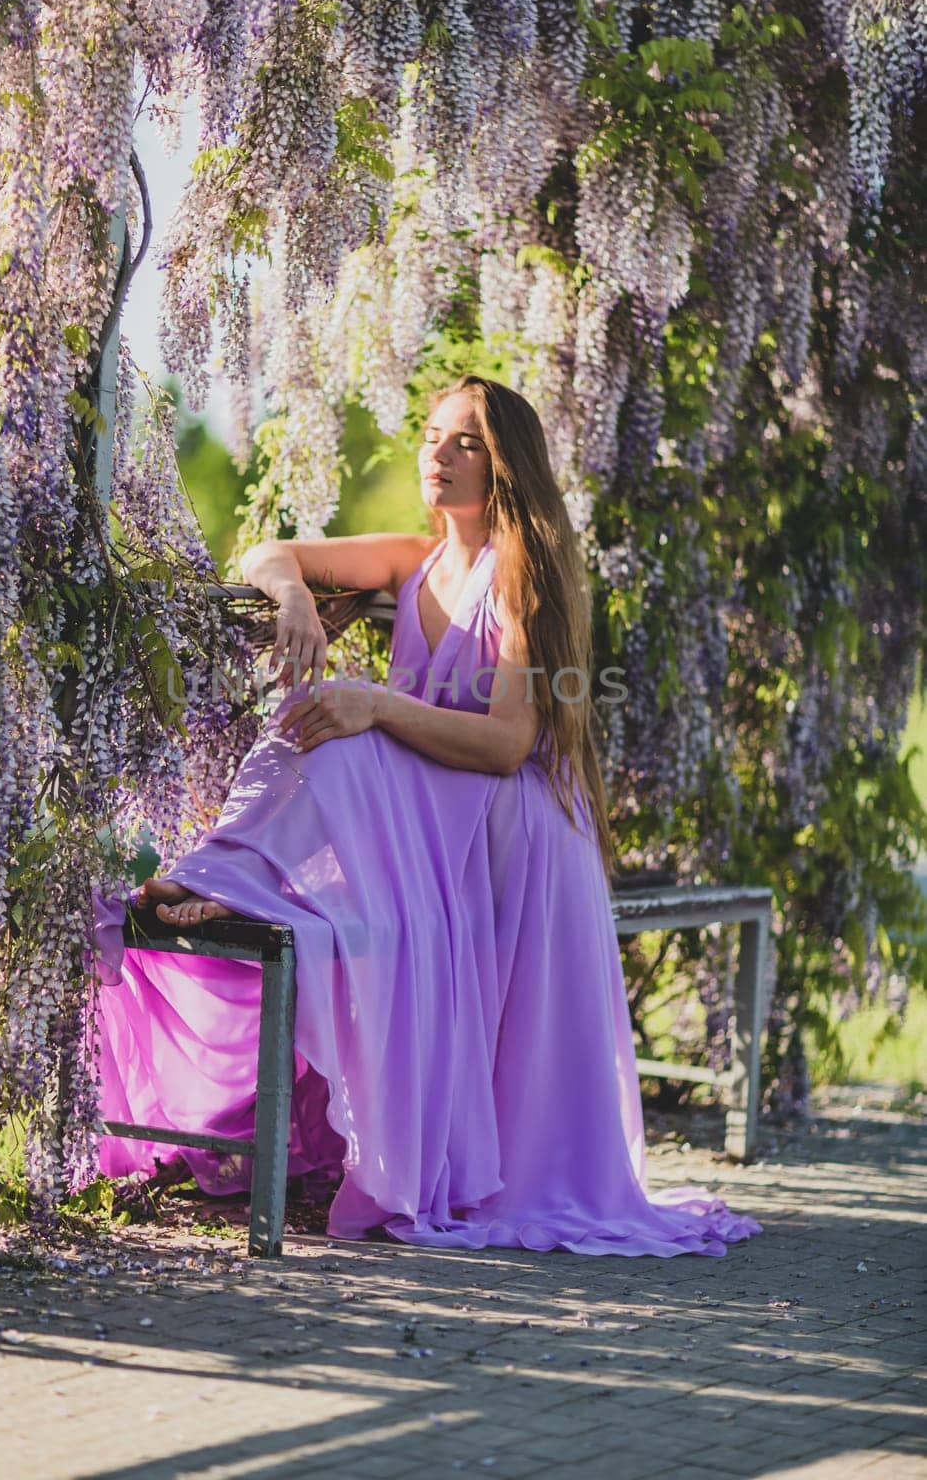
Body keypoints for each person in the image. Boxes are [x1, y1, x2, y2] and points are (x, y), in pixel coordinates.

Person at [91, 375, 763, 1255]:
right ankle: (228, 876)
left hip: (511, 825)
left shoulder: (527, 569)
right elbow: (265, 552)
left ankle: (228, 876)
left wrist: (376, 705)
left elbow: (508, 743)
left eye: (464, 443)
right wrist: (296, 601)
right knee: (323, 724)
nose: (436, 454)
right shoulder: (415, 559)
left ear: (507, 465)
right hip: (434, 811)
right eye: (432, 435)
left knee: (341, 726)